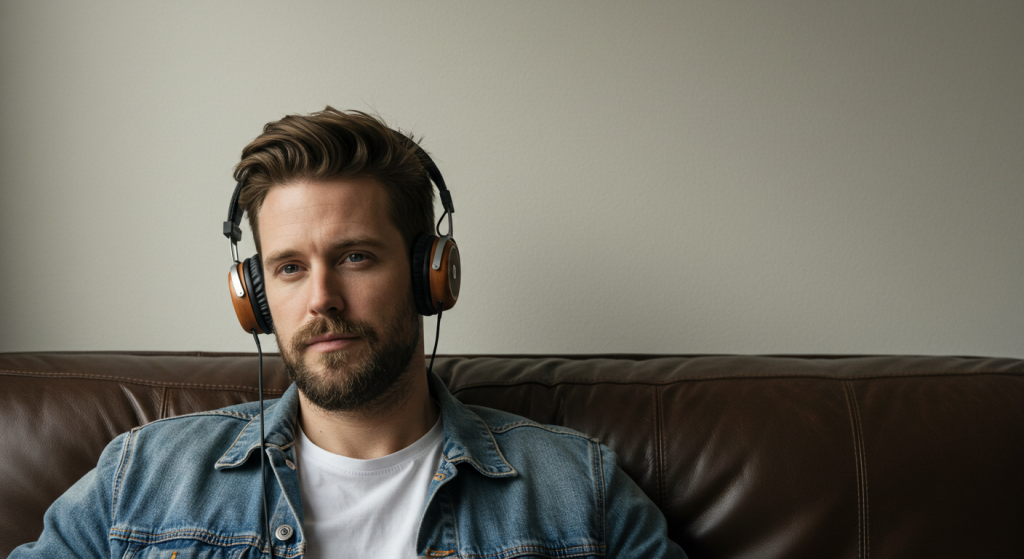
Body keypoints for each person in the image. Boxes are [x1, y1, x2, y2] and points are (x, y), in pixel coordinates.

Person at [12, 108, 686, 559]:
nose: (322, 299)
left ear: (432, 274)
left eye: (355, 256)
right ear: (256, 296)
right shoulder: (142, 478)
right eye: (289, 267)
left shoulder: (578, 491)